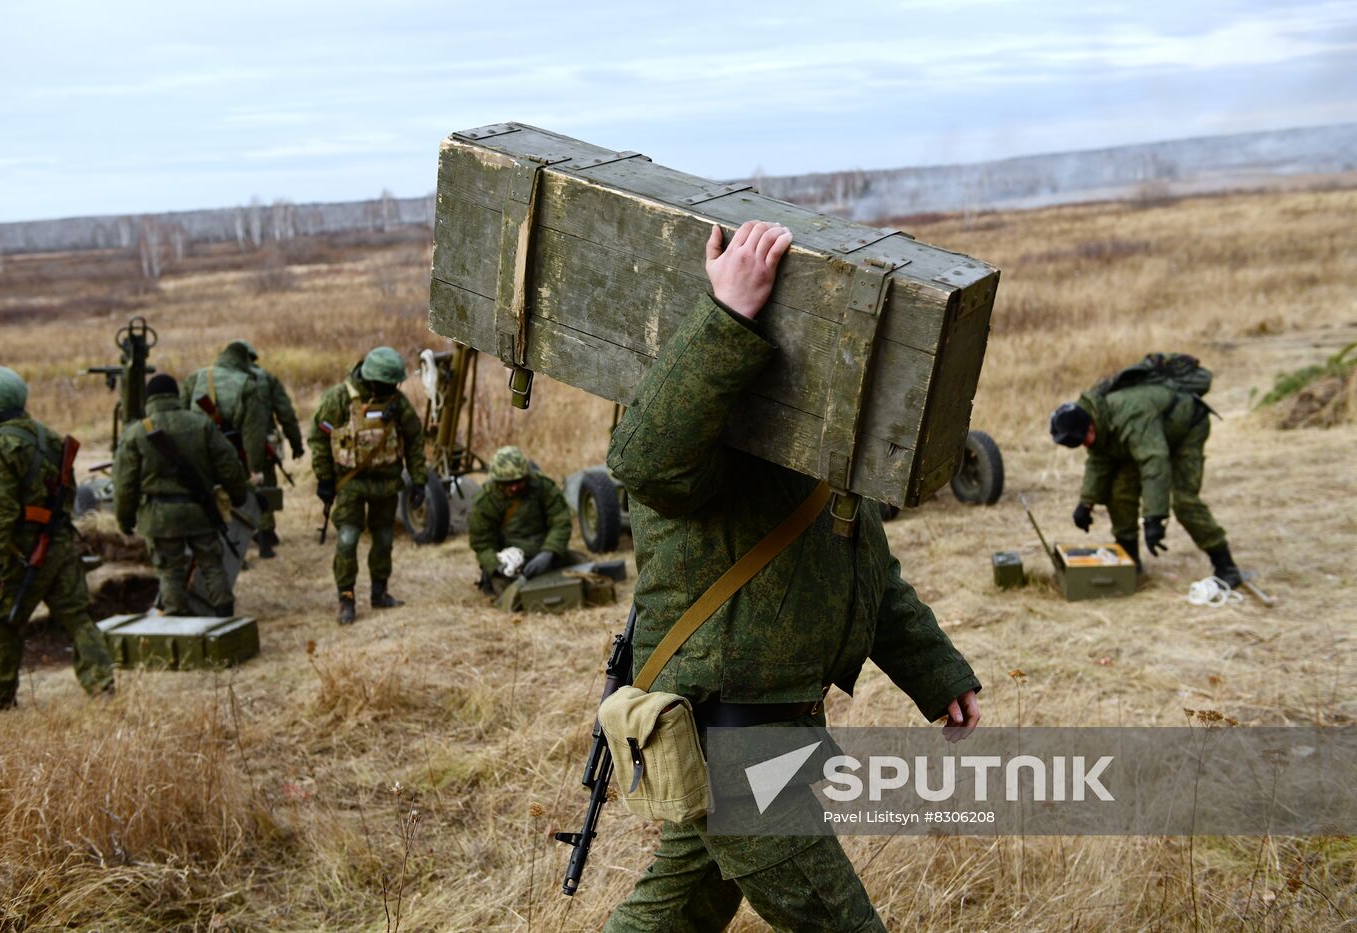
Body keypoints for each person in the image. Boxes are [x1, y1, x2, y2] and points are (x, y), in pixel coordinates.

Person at [602, 222, 982, 932]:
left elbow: (864, 569)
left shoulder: (812, 433)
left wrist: (936, 672)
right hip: (729, 731)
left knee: (677, 912)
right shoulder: (695, 411)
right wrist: (728, 314)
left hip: (767, 723)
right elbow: (646, 463)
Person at [0, 365, 115, 709]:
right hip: (59, 543)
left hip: (21, 551)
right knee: (78, 618)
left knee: (3, 623)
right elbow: (70, 492)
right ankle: (103, 689)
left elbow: (0, 512)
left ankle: (1, 697)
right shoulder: (49, 437)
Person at [1049, 370, 1241, 586]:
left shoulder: (1131, 417)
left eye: (1084, 439)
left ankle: (1226, 566)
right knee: (1120, 492)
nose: (1085, 444)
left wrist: (1154, 518)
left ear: (1090, 425)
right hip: (1151, 436)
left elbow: (1154, 464)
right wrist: (1086, 503)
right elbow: (1099, 460)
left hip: (1186, 429)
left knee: (1184, 501)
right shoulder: (1095, 421)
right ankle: (1130, 560)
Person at [308, 347, 427, 624]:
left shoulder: (397, 403)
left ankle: (379, 592)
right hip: (350, 483)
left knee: (384, 539)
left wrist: (419, 481)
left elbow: (414, 440)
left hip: (387, 483)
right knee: (348, 538)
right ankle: (346, 598)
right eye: (387, 384)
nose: (392, 389)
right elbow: (319, 438)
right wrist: (324, 478)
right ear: (372, 379)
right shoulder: (338, 399)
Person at [113, 373, 248, 617]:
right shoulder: (202, 424)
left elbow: (125, 484)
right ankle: (226, 620)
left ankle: (176, 623)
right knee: (212, 565)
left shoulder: (135, 433)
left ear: (149, 400)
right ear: (176, 396)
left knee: (170, 571)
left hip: (160, 517)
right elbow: (228, 464)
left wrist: (125, 520)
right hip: (201, 510)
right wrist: (239, 496)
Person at [468, 445, 575, 595]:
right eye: (507, 484)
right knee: (513, 594)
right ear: (497, 481)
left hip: (543, 550)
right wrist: (498, 566)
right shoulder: (485, 502)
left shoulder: (542, 487)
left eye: (519, 481)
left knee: (585, 569)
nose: (514, 488)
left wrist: (549, 553)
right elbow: (482, 543)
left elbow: (561, 521)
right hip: (509, 563)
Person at [243, 341, 303, 559]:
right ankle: (266, 534)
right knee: (266, 482)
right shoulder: (267, 378)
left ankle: (248, 531)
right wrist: (296, 444)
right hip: (263, 441)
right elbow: (286, 414)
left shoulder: (222, 379)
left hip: (233, 441)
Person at [180, 339, 268, 485]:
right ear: (244, 361)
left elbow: (181, 416)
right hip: (230, 456)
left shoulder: (194, 377)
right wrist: (255, 470)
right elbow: (253, 432)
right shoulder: (247, 384)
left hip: (195, 454)